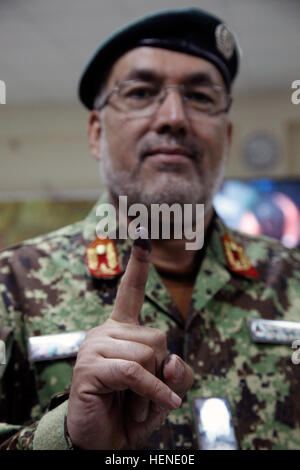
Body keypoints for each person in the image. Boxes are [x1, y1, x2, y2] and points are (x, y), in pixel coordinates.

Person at [1, 7, 300, 451]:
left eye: (201, 97)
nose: (174, 117)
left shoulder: (292, 279)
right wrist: (64, 437)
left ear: (228, 135)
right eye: (141, 92)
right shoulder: (14, 284)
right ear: (96, 132)